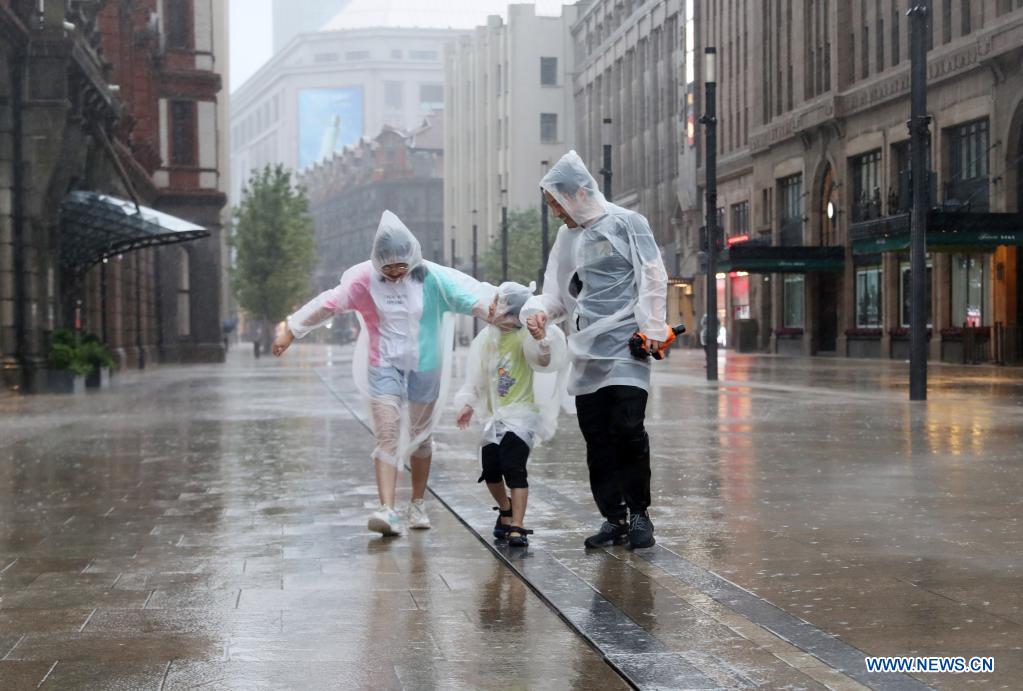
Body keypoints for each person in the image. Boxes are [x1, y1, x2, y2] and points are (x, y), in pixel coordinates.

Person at [273, 211, 495, 536]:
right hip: (383, 364)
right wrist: (292, 329)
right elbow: (329, 303)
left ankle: (417, 503)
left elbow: (469, 298)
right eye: (387, 267)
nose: (393, 273)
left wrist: (503, 312)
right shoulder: (364, 280)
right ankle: (387, 509)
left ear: (412, 259)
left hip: (426, 364)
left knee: (420, 436)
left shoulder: (432, 277)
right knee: (387, 434)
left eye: (400, 267)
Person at [522, 150, 670, 550]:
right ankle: (613, 518)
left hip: (626, 348)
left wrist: (653, 328)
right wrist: (537, 314)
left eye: (557, 203)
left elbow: (653, 274)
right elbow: (555, 290)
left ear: (580, 192)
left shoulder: (627, 223)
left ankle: (640, 515)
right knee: (597, 437)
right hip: (586, 352)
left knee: (628, 428)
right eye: (551, 204)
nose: (555, 212)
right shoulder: (566, 238)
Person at [454, 282, 568, 547]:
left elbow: (543, 360)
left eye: (502, 309)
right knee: (491, 471)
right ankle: (504, 509)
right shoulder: (487, 341)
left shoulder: (522, 338)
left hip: (521, 418)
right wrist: (469, 403)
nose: (495, 312)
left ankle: (517, 525)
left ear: (516, 316)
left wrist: (541, 339)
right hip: (495, 419)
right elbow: (478, 377)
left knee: (514, 469)